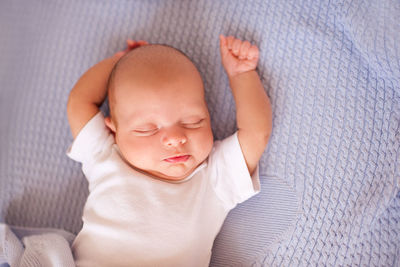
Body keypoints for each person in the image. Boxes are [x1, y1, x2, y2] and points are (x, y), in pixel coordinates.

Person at [66, 35, 272, 267]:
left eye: (193, 122)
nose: (175, 139)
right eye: (147, 129)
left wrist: (241, 75)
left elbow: (255, 133)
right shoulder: (104, 155)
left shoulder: (214, 177)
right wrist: (120, 62)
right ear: (114, 130)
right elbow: (80, 101)